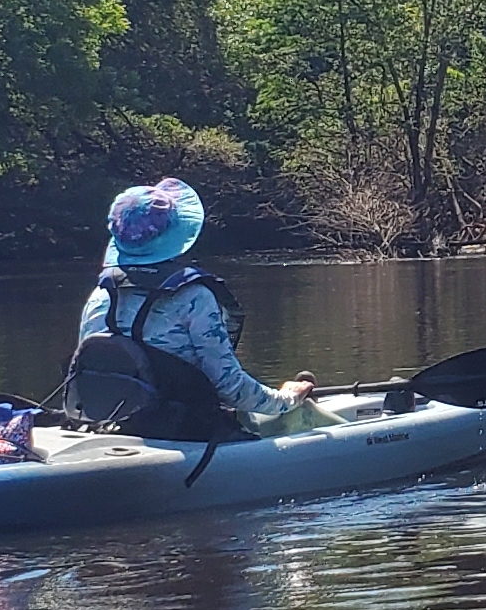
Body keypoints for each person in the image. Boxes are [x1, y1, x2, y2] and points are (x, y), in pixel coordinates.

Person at [75, 180, 316, 435]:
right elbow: (230, 387)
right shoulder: (194, 297)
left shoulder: (101, 296)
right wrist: (287, 399)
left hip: (112, 427)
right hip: (185, 433)